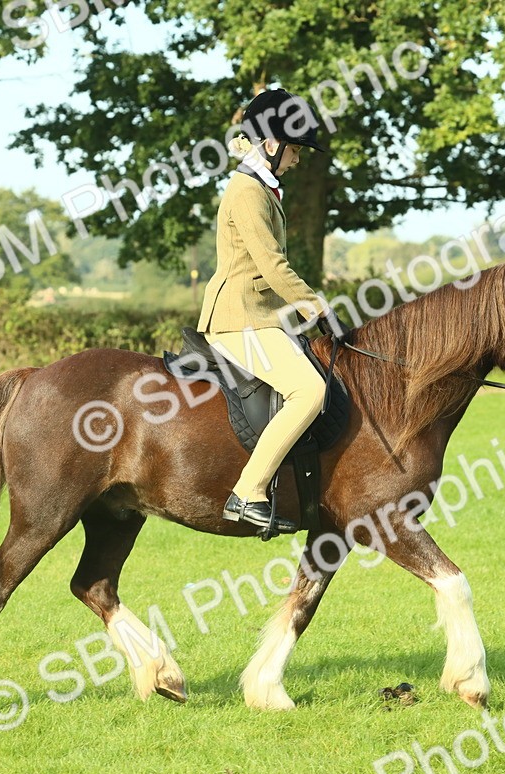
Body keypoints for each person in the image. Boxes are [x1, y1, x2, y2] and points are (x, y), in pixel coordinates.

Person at [197, 88, 349, 536]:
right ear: (270, 144)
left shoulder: (261, 188)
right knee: (308, 391)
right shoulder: (247, 191)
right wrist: (316, 305)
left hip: (259, 314)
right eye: (296, 150)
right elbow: (271, 264)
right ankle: (248, 492)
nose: (298, 159)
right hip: (238, 317)